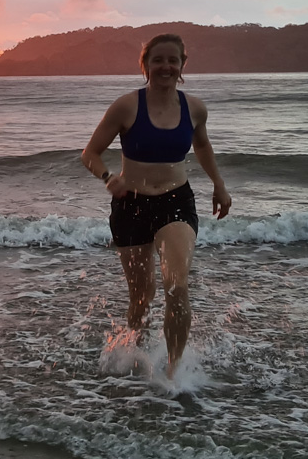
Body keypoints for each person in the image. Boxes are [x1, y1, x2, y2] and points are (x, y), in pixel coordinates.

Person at [81, 34, 231, 379]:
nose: (165, 67)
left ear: (182, 66)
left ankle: (173, 372)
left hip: (176, 200)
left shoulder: (194, 108)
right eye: (158, 60)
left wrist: (219, 185)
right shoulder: (126, 106)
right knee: (142, 296)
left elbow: (203, 146)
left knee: (177, 285)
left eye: (172, 61)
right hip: (130, 206)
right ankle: (133, 357)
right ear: (145, 65)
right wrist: (107, 178)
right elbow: (90, 153)